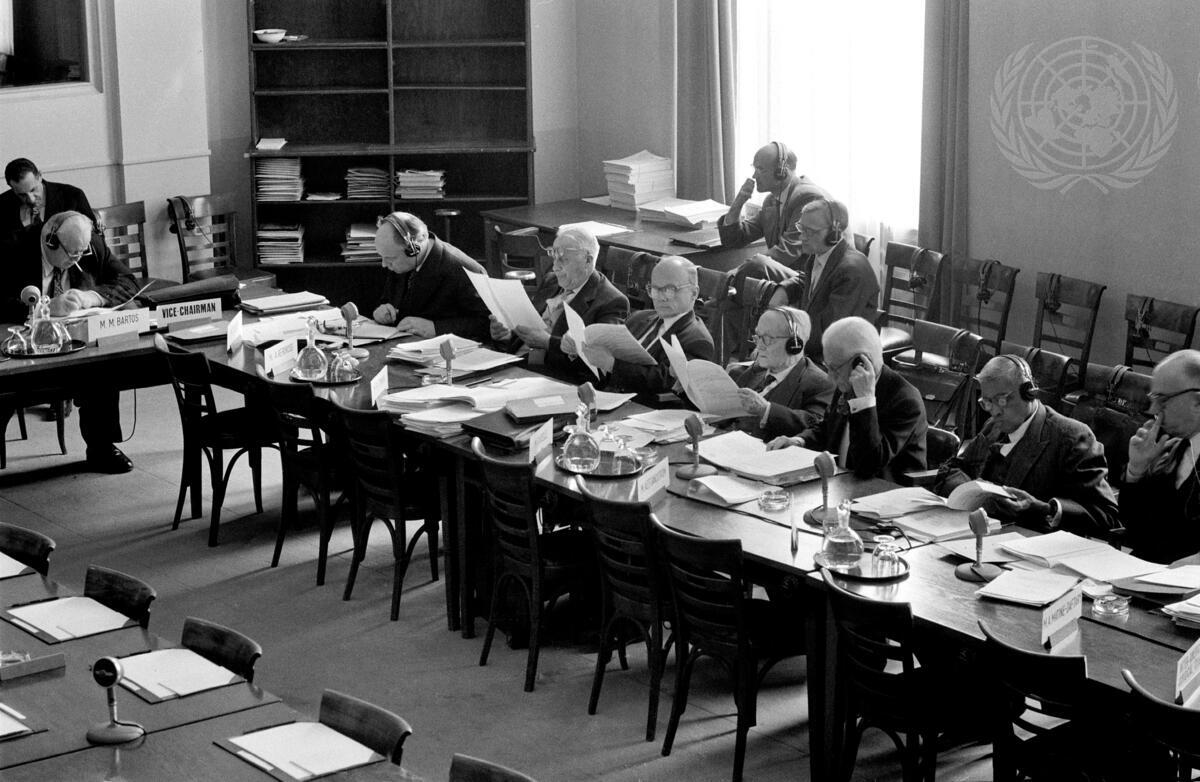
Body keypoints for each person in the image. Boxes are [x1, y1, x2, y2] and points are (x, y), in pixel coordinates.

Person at [0, 211, 139, 473]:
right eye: (72, 254)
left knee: (103, 367)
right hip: (22, 346)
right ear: (50, 240)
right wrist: (44, 307)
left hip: (76, 340)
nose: (77, 261)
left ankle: (101, 448)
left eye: (81, 253)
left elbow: (128, 281)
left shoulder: (88, 245)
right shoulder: (11, 248)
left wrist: (92, 297)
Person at [935, 355, 1120, 535]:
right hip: (984, 536)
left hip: (1034, 544)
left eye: (1002, 400)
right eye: (987, 403)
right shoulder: (994, 426)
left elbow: (1107, 516)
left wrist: (1045, 509)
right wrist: (973, 490)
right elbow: (950, 472)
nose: (995, 411)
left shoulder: (1072, 437)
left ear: (1029, 393)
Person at [768, 316, 925, 481]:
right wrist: (799, 441)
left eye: (834, 368)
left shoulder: (905, 401)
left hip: (883, 491)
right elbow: (827, 429)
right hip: (840, 482)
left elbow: (869, 464)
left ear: (861, 363)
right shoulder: (846, 382)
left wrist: (864, 402)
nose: (830, 377)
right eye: (828, 367)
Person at [717, 142, 829, 357]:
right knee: (729, 309)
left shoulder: (807, 197)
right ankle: (719, 359)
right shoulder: (772, 200)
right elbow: (735, 238)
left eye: (761, 169)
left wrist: (737, 271)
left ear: (781, 171)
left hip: (809, 281)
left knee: (758, 265)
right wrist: (739, 202)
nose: (754, 175)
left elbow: (787, 251)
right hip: (786, 281)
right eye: (754, 168)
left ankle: (718, 294)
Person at [489, 224, 628, 382]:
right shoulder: (552, 281)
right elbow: (527, 335)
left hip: (556, 379)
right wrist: (506, 337)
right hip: (514, 367)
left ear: (588, 260)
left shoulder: (611, 301)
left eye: (563, 259)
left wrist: (548, 343)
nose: (555, 267)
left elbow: (599, 363)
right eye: (554, 257)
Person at [585, 255, 713, 397]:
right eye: (655, 289)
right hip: (603, 393)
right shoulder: (638, 318)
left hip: (643, 405)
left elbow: (665, 382)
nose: (661, 297)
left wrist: (612, 365)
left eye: (670, 290)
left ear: (694, 293)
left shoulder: (697, 340)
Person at [770, 198, 879, 363]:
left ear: (834, 233)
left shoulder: (852, 271)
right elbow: (816, 282)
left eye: (810, 232)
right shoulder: (819, 255)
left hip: (838, 363)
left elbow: (828, 332)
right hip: (812, 353)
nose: (802, 237)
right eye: (801, 228)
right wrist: (786, 288)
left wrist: (781, 343)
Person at [1119, 350, 1200, 563]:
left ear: (1198, 402)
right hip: (1141, 574)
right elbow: (1134, 530)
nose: (1154, 410)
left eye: (1163, 400)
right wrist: (1136, 469)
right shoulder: (1167, 450)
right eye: (1153, 400)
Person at [371, 212, 489, 341]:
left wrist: (436, 328)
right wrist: (382, 312)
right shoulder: (399, 260)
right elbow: (388, 300)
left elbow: (486, 323)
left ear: (413, 250)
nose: (384, 264)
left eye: (390, 258)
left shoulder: (465, 270)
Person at [728, 306, 834, 441]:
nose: (759, 346)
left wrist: (766, 410)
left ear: (794, 344)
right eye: (758, 337)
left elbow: (814, 426)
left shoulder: (820, 383)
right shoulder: (752, 372)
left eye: (767, 339)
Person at [0, 157, 95, 255]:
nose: (31, 199)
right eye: (22, 195)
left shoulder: (72, 196)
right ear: (12, 188)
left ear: (40, 176)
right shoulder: (2, 205)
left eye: (33, 190)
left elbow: (93, 240)